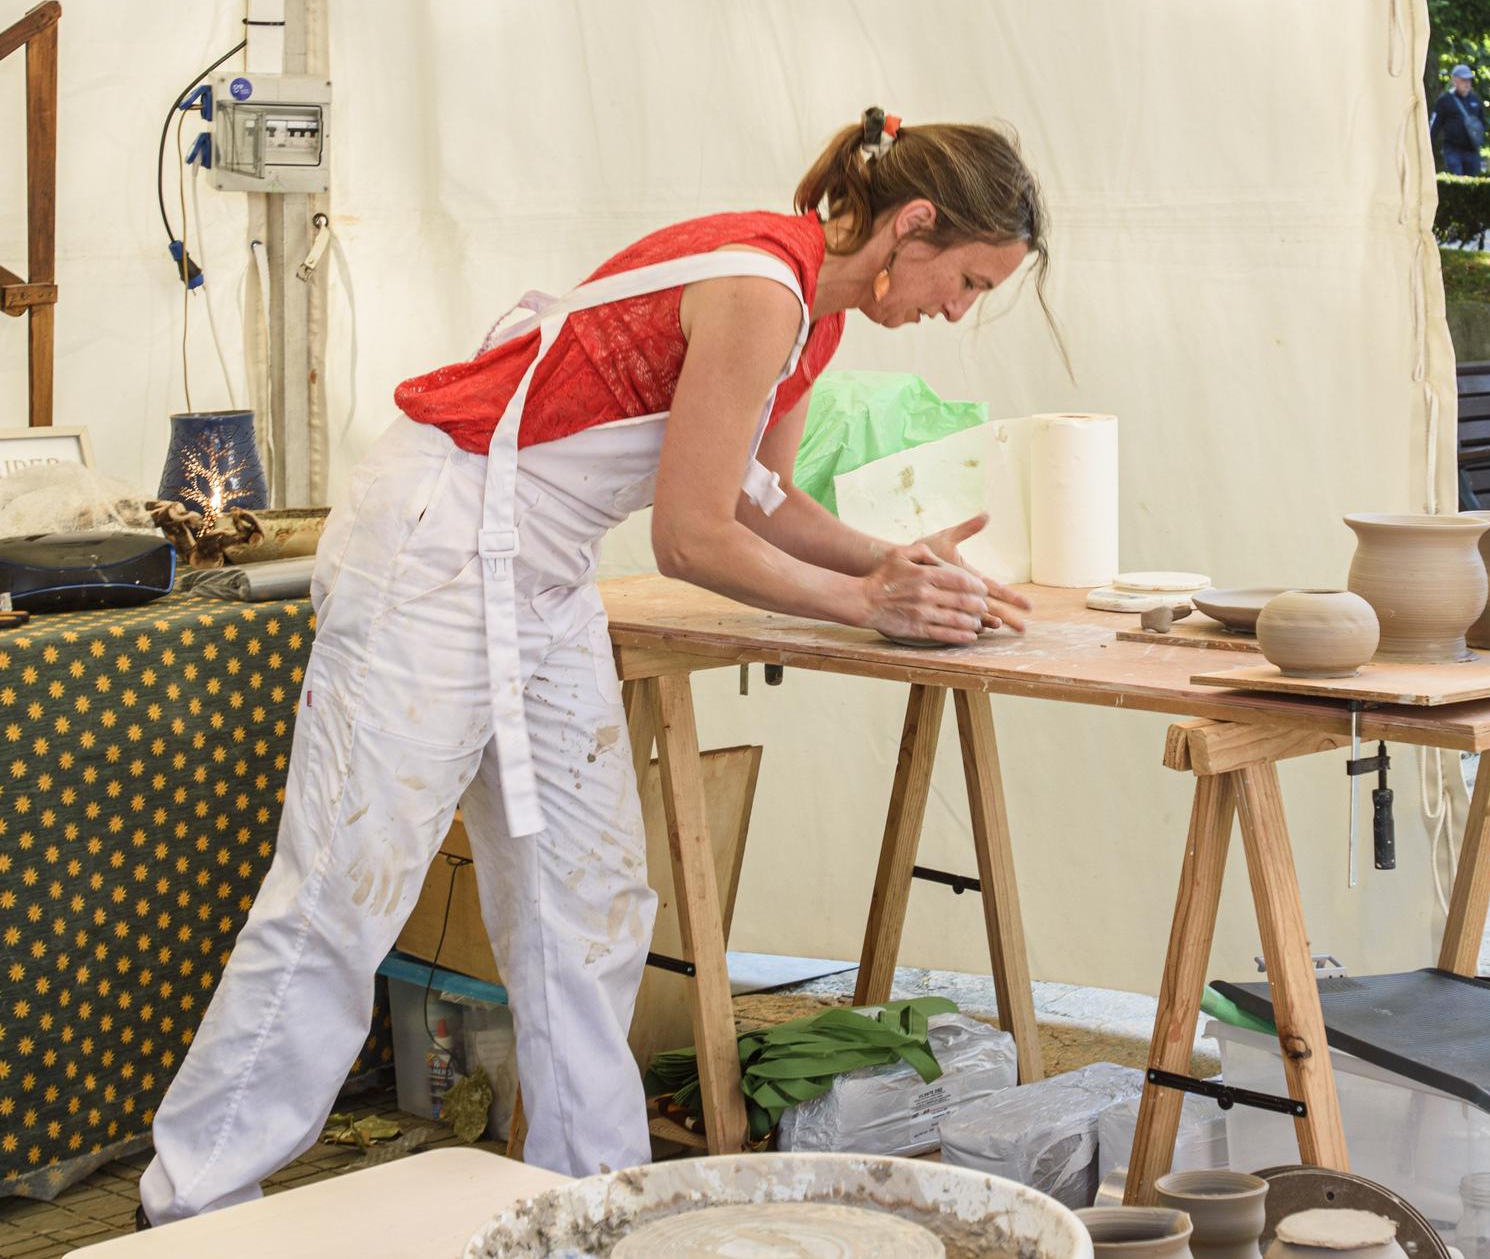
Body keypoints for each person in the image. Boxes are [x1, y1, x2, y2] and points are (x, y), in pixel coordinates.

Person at [136, 108, 1050, 1226]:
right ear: (913, 224)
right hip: (434, 532)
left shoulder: (816, 318)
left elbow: (765, 497)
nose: (957, 309)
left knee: (591, 903)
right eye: (965, 279)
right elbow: (693, 539)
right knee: (345, 886)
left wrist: (891, 561)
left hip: (537, 568)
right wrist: (868, 604)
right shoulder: (760, 284)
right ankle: (193, 1202)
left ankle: (586, 1201)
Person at [1430, 64, 1488, 176]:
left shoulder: (1476, 100)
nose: (1467, 83)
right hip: (1453, 150)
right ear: (1454, 80)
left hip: (1472, 151)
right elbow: (1434, 125)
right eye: (1463, 80)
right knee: (1456, 180)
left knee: (1473, 185)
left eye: (1469, 80)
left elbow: (1482, 123)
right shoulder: (1445, 101)